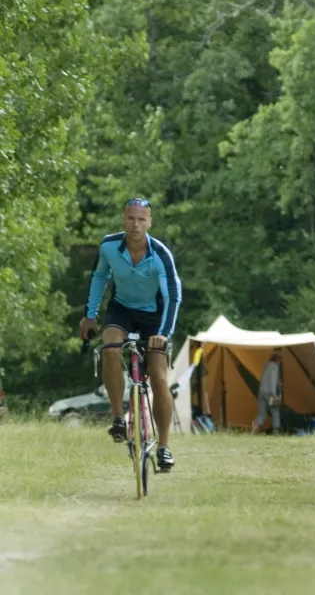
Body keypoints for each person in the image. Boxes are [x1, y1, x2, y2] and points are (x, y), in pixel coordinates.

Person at [79, 198, 182, 471]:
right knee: (110, 348)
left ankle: (164, 447)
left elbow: (173, 297)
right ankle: (118, 418)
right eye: (130, 218)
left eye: (141, 219)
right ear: (123, 220)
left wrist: (164, 333)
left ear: (149, 222)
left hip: (154, 316)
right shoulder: (109, 246)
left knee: (159, 378)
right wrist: (90, 315)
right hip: (121, 310)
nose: (135, 224)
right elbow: (99, 277)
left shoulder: (160, 254)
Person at [253, 351, 282, 435]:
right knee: (275, 411)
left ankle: (255, 428)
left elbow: (263, 379)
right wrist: (274, 394)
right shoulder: (275, 367)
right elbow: (272, 381)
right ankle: (275, 431)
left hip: (261, 392)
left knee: (261, 413)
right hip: (269, 393)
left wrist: (277, 383)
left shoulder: (265, 366)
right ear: (278, 360)